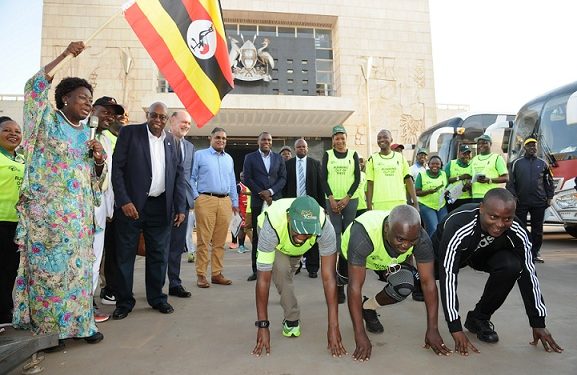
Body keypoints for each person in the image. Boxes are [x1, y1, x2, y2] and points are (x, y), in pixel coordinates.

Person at [13, 41, 105, 349]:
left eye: (90, 99)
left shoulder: (87, 135)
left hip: (77, 220)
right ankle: (51, 332)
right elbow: (33, 87)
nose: (87, 103)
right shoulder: (47, 121)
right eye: (81, 97)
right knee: (50, 274)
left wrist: (99, 159)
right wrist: (66, 56)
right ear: (64, 98)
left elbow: (93, 180)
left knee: (78, 275)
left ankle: (81, 325)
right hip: (48, 218)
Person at [433, 188, 563, 355]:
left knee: (513, 265)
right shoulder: (459, 225)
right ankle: (418, 284)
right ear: (481, 209)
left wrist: (538, 321)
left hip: (481, 254)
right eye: (493, 217)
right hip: (443, 252)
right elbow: (448, 275)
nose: (500, 224)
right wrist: (454, 326)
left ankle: (479, 318)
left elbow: (529, 273)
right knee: (426, 279)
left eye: (507, 218)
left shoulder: (517, 230)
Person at [340, 206, 449, 361]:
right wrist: (360, 334)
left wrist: (433, 329)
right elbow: (355, 287)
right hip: (353, 255)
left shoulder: (421, 238)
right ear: (386, 229)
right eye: (400, 239)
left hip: (387, 261)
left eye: (412, 241)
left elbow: (428, 283)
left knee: (403, 286)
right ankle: (342, 287)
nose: (405, 246)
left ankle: (368, 307)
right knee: (342, 283)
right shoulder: (363, 235)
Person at [111, 101, 187, 320]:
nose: (158, 120)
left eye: (162, 117)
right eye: (154, 115)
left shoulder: (173, 141)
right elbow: (118, 169)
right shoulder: (129, 133)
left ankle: (157, 298)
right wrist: (123, 200)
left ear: (168, 120)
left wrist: (180, 206)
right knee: (125, 256)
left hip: (161, 206)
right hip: (131, 206)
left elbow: (179, 176)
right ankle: (124, 302)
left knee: (158, 256)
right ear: (148, 115)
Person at [251, 196, 346, 357]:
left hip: (293, 249)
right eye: (299, 229)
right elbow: (263, 280)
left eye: (308, 231)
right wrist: (263, 325)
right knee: (281, 272)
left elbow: (329, 278)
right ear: (289, 218)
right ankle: (292, 318)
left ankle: (285, 281)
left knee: (286, 274)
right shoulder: (272, 226)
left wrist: (334, 326)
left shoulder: (324, 227)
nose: (303, 236)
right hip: (277, 242)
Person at [90, 96, 125, 323]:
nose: (110, 116)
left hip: (102, 205)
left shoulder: (106, 137)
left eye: (113, 113)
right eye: (106, 111)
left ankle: (88, 303)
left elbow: (110, 176)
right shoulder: (82, 132)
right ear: (93, 109)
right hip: (80, 205)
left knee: (95, 257)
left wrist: (110, 209)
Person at [191, 127, 239, 288]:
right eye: (218, 137)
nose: (221, 140)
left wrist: (235, 202)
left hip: (225, 201)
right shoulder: (200, 155)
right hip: (205, 199)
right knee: (204, 240)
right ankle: (201, 275)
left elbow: (232, 181)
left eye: (224, 138)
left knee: (220, 242)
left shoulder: (229, 159)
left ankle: (217, 274)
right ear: (210, 138)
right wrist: (196, 197)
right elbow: (191, 178)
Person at [322, 125, 360, 303]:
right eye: (336, 138)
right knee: (336, 237)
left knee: (350, 236)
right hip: (332, 201)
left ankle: (348, 275)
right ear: (332, 140)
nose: (339, 141)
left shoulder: (353, 154)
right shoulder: (327, 155)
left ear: (346, 138)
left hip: (350, 201)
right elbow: (323, 178)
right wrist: (331, 198)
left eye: (342, 137)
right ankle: (338, 284)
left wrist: (347, 198)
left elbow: (357, 179)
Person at [243, 132, 287, 281]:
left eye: (269, 139)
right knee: (257, 236)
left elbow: (283, 178)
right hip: (258, 201)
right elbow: (247, 178)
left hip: (275, 201)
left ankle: (275, 269)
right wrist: (262, 193)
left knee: (277, 235)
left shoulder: (278, 158)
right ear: (258, 141)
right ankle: (256, 270)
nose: (266, 142)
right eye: (263, 139)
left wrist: (270, 191)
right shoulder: (250, 158)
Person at [506, 138, 554, 263]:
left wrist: (550, 197)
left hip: (539, 201)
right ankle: (522, 251)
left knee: (537, 229)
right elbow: (511, 183)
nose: (532, 147)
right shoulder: (516, 163)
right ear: (524, 147)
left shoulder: (543, 163)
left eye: (534, 145)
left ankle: (535, 252)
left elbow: (549, 181)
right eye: (529, 145)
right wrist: (514, 197)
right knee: (520, 227)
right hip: (521, 201)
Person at [283, 138, 324, 278]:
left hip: (310, 205)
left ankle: (312, 267)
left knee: (311, 236)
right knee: (294, 236)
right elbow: (285, 186)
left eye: (304, 147)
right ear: (295, 149)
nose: (302, 149)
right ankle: (297, 265)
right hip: (293, 206)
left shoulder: (315, 164)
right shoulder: (288, 165)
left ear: (307, 149)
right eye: (299, 147)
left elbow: (320, 186)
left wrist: (321, 207)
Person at [98, 102, 127, 306]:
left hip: (113, 203)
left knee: (112, 250)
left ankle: (112, 288)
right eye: (107, 113)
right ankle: (106, 289)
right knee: (98, 253)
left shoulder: (113, 139)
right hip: (94, 202)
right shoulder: (98, 136)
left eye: (117, 116)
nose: (113, 118)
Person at [167, 111, 195, 297]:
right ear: (172, 121)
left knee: (177, 246)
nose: (186, 125)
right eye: (183, 121)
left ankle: (175, 283)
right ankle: (155, 287)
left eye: (189, 123)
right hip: (162, 201)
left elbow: (187, 177)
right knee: (159, 246)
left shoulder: (191, 147)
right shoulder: (161, 141)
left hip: (182, 203)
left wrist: (189, 200)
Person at [0, 117, 24, 327]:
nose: (13, 134)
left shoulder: (22, 159)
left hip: (17, 224)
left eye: (17, 131)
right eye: (7, 130)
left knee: (10, 270)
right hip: (0, 221)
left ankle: (5, 312)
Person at [365, 129, 418, 211]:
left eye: (385, 137)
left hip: (399, 202)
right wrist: (369, 206)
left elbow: (408, 180)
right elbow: (370, 184)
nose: (382, 140)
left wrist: (416, 203)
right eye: (379, 138)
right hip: (379, 203)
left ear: (391, 140)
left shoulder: (400, 158)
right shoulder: (372, 159)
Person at [415, 155, 449, 237]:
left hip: (441, 205)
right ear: (428, 164)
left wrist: (447, 192)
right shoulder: (422, 175)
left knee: (444, 226)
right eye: (432, 164)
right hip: (426, 205)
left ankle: (441, 246)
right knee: (433, 228)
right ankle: (431, 248)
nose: (435, 166)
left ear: (441, 165)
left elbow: (447, 187)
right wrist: (428, 192)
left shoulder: (443, 174)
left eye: (437, 164)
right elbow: (417, 192)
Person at [470, 134, 508, 203]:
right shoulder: (474, 159)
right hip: (475, 196)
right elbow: (471, 176)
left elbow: (506, 178)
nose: (481, 145)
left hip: (491, 196)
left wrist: (489, 180)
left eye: (484, 143)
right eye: (479, 143)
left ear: (490, 144)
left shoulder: (497, 158)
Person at [445, 145, 473, 212]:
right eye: (464, 154)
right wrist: (460, 177)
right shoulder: (451, 164)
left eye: (468, 154)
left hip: (467, 198)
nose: (466, 156)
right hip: (453, 197)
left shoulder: (473, 164)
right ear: (459, 154)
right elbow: (446, 180)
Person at [236, 172, 250, 253]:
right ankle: (240, 246)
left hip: (249, 209)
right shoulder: (239, 186)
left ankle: (243, 245)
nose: (243, 178)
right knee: (242, 228)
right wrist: (238, 211)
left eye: (244, 176)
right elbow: (235, 197)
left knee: (247, 227)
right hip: (242, 210)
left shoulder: (250, 184)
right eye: (241, 176)